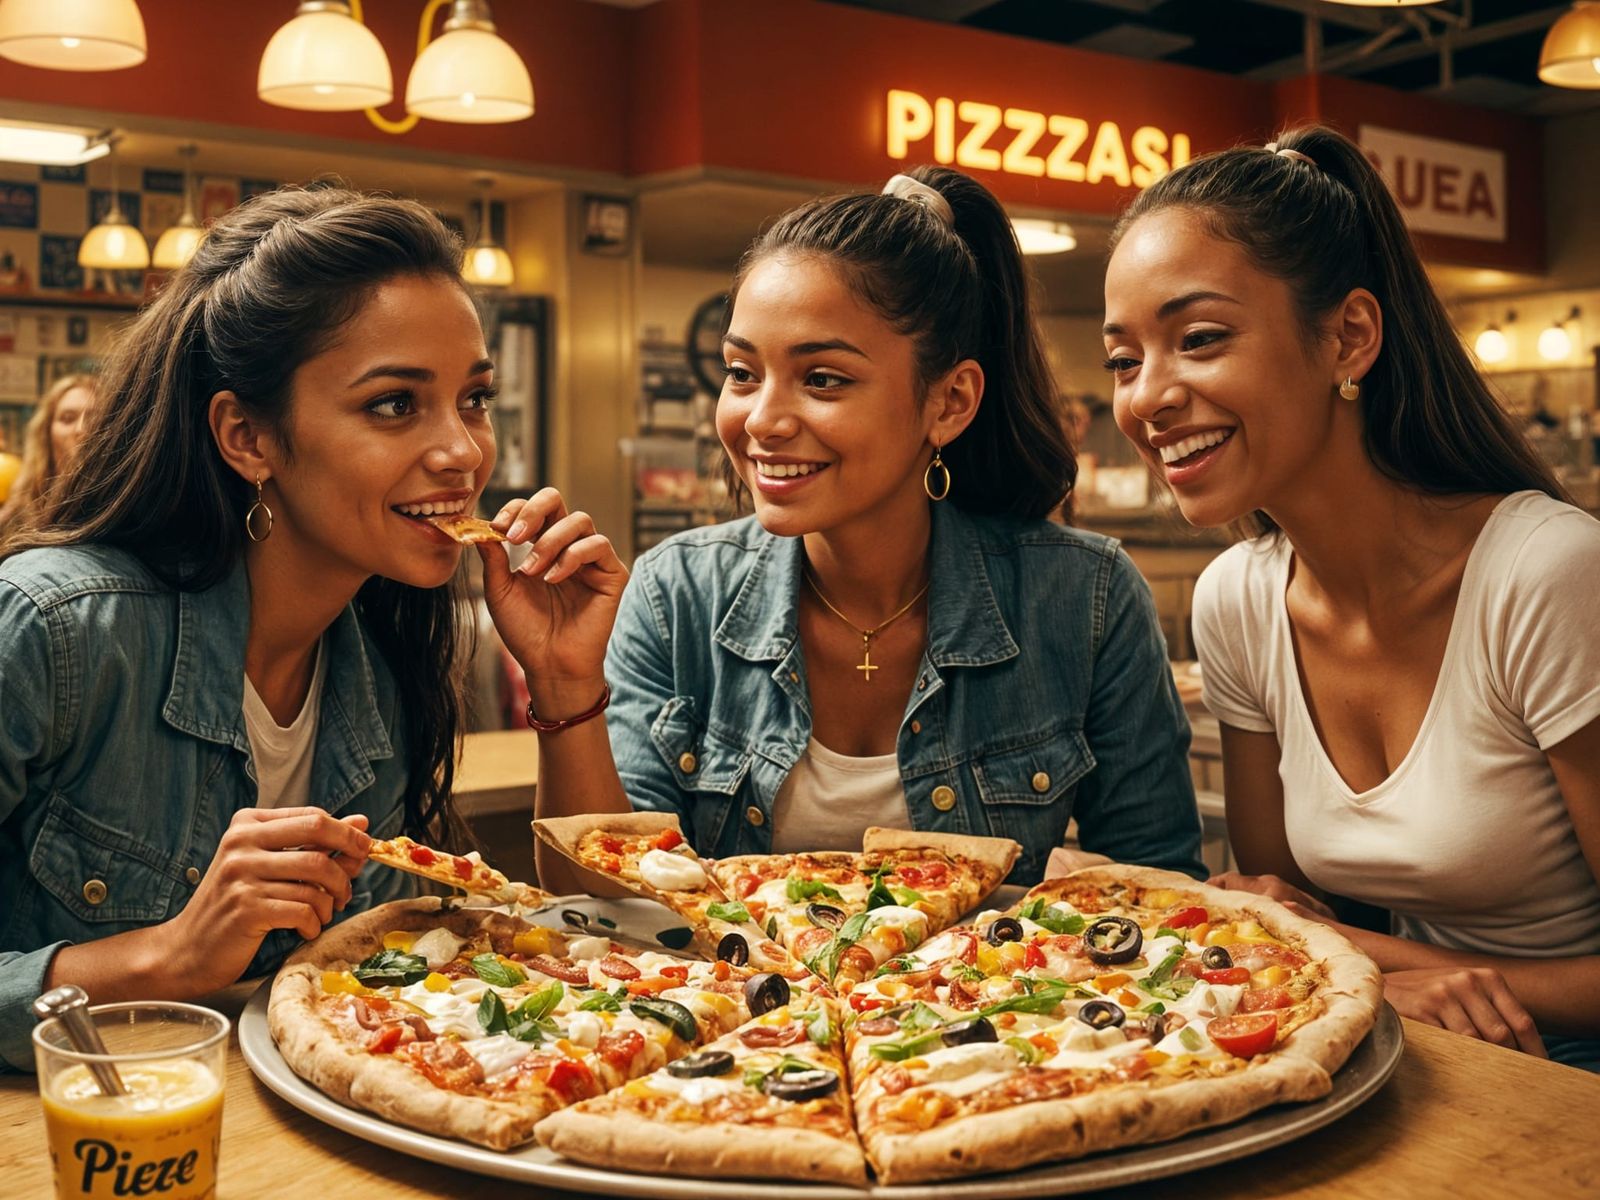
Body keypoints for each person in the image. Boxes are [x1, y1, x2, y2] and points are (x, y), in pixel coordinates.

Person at [493, 166, 1204, 895]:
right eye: (742, 373)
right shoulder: (679, 592)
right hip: (731, 1005)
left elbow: (1160, 896)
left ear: (949, 401)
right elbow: (603, 900)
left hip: (994, 1005)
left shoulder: (1083, 598)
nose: (762, 420)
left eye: (823, 379)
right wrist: (564, 682)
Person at [1101, 124, 1600, 1070]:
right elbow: (1285, 919)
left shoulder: (1546, 572)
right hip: (1405, 1044)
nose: (1146, 398)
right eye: (1126, 359)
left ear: (1349, 336)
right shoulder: (1238, 600)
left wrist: (1389, 964)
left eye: (1198, 340)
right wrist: (1385, 973)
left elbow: (1325, 942)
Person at [0, 188, 506, 1070]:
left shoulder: (377, 672)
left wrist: (567, 685)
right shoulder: (55, 632)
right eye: (395, 404)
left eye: (474, 398)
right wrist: (170, 955)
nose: (463, 450)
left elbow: (363, 991)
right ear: (247, 436)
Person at [0, 373, 96, 537]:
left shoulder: (124, 506)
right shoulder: (18, 509)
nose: (81, 429)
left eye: (95, 418)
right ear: (46, 432)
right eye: (67, 418)